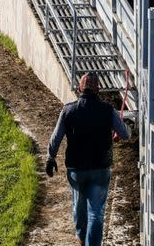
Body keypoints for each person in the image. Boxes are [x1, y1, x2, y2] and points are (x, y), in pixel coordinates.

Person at [46, 73, 131, 246]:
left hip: (76, 170)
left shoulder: (68, 110)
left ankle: (81, 238)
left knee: (79, 208)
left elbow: (56, 137)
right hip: (100, 168)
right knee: (96, 213)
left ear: (79, 88)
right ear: (98, 89)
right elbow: (124, 134)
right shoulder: (108, 110)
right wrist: (126, 128)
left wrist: (51, 157)